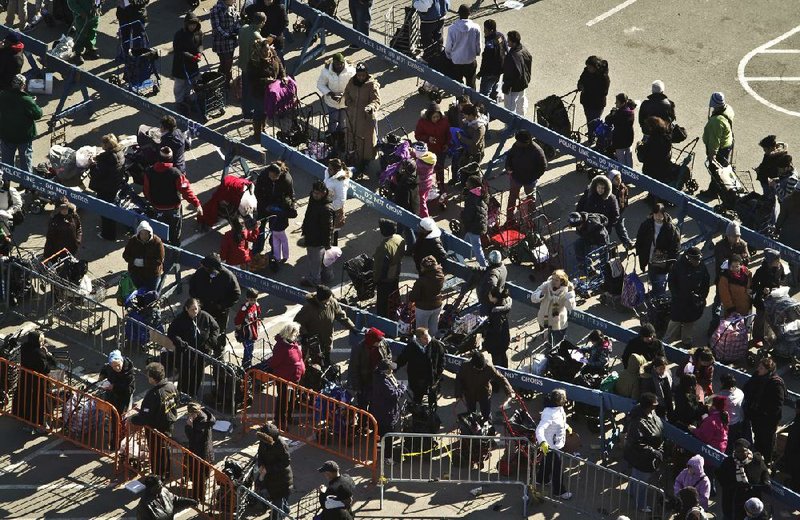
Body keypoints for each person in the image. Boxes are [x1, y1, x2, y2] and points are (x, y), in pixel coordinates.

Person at [143, 147, 202, 246]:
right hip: (173, 209)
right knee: (175, 234)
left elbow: (146, 191)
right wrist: (197, 204)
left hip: (157, 208)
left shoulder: (149, 172)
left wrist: (152, 202)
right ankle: (175, 256)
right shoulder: (176, 173)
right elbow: (186, 190)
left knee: (159, 234)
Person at [130, 363, 179, 479]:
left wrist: (132, 419)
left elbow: (144, 417)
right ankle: (166, 471)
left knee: (156, 453)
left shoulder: (153, 395)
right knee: (165, 449)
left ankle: (157, 476)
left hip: (156, 428)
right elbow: (177, 400)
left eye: (148, 376)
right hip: (169, 423)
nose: (148, 378)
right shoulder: (171, 386)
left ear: (152, 378)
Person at [167, 299, 220, 398]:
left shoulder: (204, 316)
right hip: (186, 353)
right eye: (192, 309)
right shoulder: (180, 320)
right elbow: (171, 333)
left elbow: (215, 328)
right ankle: (182, 394)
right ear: (186, 309)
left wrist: (210, 343)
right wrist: (181, 343)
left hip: (201, 352)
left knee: (198, 374)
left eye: (196, 309)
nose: (195, 311)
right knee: (185, 374)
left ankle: (193, 394)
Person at [189, 253, 242, 352]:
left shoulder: (227, 276)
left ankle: (218, 351)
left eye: (206, 267)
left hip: (220, 313)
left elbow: (236, 294)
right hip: (203, 310)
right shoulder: (200, 273)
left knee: (218, 334)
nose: (203, 268)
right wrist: (196, 300)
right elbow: (192, 286)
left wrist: (222, 305)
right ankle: (204, 349)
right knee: (202, 331)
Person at [295, 285, 356, 368]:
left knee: (326, 359)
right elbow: (299, 321)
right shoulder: (309, 308)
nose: (330, 299)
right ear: (322, 299)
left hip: (327, 339)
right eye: (328, 298)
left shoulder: (332, 302)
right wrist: (305, 335)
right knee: (313, 365)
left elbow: (341, 316)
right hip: (313, 343)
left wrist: (352, 327)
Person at [623, 393, 664, 513]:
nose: (656, 407)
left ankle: (630, 491)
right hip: (642, 458)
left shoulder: (650, 413)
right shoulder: (637, 422)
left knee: (636, 476)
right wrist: (654, 452)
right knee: (642, 482)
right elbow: (636, 443)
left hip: (646, 456)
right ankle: (640, 505)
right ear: (648, 406)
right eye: (654, 405)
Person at [743, 357, 785, 464]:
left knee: (767, 441)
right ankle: (757, 459)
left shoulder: (776, 383)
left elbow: (777, 405)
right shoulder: (757, 376)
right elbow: (747, 388)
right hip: (756, 416)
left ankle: (766, 461)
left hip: (768, 420)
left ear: (768, 370)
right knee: (758, 438)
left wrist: (765, 413)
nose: (758, 369)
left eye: (761, 368)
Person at [665, 247, 710, 348]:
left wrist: (702, 297)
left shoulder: (701, 266)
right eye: (695, 260)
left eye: (699, 259)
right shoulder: (679, 266)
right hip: (680, 301)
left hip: (693, 303)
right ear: (689, 258)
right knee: (675, 322)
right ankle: (666, 343)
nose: (697, 262)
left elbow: (706, 283)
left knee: (689, 322)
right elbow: (671, 281)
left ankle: (686, 340)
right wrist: (676, 295)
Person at [0, 73, 43, 174]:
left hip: (6, 135)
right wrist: (33, 102)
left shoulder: (2, 95)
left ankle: (6, 182)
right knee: (25, 160)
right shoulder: (27, 100)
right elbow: (38, 114)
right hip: (24, 136)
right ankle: (26, 185)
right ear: (23, 85)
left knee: (7, 161)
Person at [634, 203, 680, 296]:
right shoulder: (646, 224)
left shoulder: (671, 228)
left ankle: (658, 299)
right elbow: (640, 239)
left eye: (660, 214)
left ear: (664, 214)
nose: (658, 217)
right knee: (652, 277)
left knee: (659, 281)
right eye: (656, 214)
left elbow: (675, 247)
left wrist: (670, 262)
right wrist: (639, 251)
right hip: (650, 258)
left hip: (662, 260)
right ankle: (655, 293)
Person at [718, 439, 770, 520]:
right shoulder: (728, 462)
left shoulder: (756, 459)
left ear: (748, 450)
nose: (740, 454)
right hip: (733, 498)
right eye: (737, 451)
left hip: (752, 496)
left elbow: (764, 471)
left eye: (743, 451)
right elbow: (721, 477)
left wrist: (766, 480)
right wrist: (734, 485)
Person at [535, 389, 573, 500]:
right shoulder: (548, 413)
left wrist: (566, 427)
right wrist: (543, 442)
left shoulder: (559, 408)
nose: (566, 399)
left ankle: (541, 479)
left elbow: (560, 421)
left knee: (546, 462)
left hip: (554, 443)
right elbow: (539, 430)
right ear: (558, 401)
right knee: (558, 469)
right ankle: (559, 491)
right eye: (564, 398)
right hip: (552, 445)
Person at [454, 350, 513, 423]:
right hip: (470, 394)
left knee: (486, 414)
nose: (481, 369)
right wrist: (458, 394)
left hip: (484, 393)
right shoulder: (465, 366)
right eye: (479, 368)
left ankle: (488, 426)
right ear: (473, 365)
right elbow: (459, 379)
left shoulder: (489, 367)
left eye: (482, 368)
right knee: (471, 413)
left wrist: (509, 391)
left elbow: (501, 378)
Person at [13, 331, 57, 426]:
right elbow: (46, 368)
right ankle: (41, 422)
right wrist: (47, 354)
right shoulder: (39, 353)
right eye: (41, 340)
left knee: (25, 398)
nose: (43, 342)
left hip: (26, 378)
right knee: (40, 402)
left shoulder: (25, 347)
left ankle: (22, 415)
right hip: (38, 382)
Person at [253, 161, 294, 261]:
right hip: (264, 206)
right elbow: (257, 191)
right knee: (260, 228)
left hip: (277, 207)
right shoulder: (263, 175)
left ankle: (274, 250)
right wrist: (265, 205)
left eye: (274, 177)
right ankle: (257, 248)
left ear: (279, 175)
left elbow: (290, 194)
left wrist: (289, 207)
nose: (272, 179)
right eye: (270, 176)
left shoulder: (286, 179)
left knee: (274, 230)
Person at [344, 63, 381, 174]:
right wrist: (348, 100)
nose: (360, 77)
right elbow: (347, 93)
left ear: (366, 74)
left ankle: (364, 162)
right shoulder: (352, 81)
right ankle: (352, 158)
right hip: (352, 116)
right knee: (352, 137)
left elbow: (376, 101)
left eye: (363, 75)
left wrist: (371, 107)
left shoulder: (372, 85)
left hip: (366, 118)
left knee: (365, 141)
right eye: (359, 75)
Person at [88, 134, 126, 241]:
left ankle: (108, 235)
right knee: (110, 208)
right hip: (114, 185)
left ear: (106, 145)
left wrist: (92, 165)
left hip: (106, 188)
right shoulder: (119, 152)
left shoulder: (108, 159)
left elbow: (98, 173)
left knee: (106, 211)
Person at [269, 322, 306, 428]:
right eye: (295, 334)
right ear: (289, 334)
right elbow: (274, 362)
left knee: (292, 399)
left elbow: (299, 358)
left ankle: (288, 417)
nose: (297, 336)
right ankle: (280, 421)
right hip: (284, 379)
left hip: (294, 378)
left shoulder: (293, 344)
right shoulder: (281, 347)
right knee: (282, 400)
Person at [504, 130, 547, 222]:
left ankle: (531, 221)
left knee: (531, 200)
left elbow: (543, 166)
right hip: (516, 178)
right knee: (512, 198)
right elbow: (509, 157)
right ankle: (509, 219)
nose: (516, 143)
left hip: (530, 181)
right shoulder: (516, 145)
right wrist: (508, 167)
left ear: (526, 142)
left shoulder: (537, 151)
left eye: (519, 142)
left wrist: (534, 177)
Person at [248, 38, 286, 138]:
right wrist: (265, 80)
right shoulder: (254, 62)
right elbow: (252, 79)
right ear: (259, 51)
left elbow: (280, 65)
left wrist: (283, 76)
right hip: (259, 92)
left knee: (266, 110)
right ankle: (257, 134)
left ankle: (263, 128)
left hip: (271, 91)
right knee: (259, 112)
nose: (267, 52)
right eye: (265, 50)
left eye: (268, 49)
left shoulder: (273, 54)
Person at [396, 327, 444, 405]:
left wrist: (438, 372)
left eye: (428, 336)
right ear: (418, 339)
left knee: (432, 400)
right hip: (417, 380)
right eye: (424, 338)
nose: (428, 339)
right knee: (417, 399)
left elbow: (442, 358)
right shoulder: (411, 347)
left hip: (432, 379)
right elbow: (402, 359)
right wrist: (395, 366)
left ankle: (431, 413)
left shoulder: (435, 344)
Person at [700, 91, 735, 198]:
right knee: (721, 169)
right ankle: (718, 190)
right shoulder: (728, 109)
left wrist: (712, 155)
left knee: (716, 171)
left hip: (721, 148)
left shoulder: (716, 121)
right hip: (728, 143)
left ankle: (713, 192)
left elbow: (715, 141)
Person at [300, 181, 336, 287]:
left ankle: (314, 280)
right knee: (325, 259)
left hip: (317, 239)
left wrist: (327, 244)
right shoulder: (314, 198)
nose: (315, 195)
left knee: (315, 261)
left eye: (317, 193)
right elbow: (309, 212)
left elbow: (328, 228)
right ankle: (328, 277)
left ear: (324, 192)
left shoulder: (326, 209)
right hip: (313, 235)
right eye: (314, 192)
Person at [531, 270, 576, 347]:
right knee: (546, 343)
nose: (553, 282)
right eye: (552, 279)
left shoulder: (567, 290)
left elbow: (570, 307)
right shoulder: (546, 285)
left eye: (556, 280)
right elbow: (533, 298)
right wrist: (541, 293)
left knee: (558, 345)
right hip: (544, 320)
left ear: (562, 281)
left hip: (558, 324)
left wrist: (570, 295)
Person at [255, 423, 293, 516]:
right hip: (269, 476)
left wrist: (268, 469)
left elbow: (285, 462)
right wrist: (261, 465)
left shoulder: (281, 445)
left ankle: (282, 513)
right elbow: (260, 455)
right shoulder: (264, 442)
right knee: (262, 491)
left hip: (281, 479)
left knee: (279, 505)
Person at [414, 103, 451, 198]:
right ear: (429, 116)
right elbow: (417, 136)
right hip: (428, 152)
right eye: (434, 117)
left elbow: (448, 133)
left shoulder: (444, 121)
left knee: (440, 168)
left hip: (440, 149)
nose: (436, 119)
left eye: (437, 117)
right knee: (427, 170)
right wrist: (427, 138)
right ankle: (427, 187)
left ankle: (441, 185)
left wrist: (447, 144)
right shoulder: (422, 122)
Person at [751, 248, 787, 344]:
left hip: (775, 296)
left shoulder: (780, 267)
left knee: (772, 319)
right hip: (762, 299)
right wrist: (762, 289)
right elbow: (753, 284)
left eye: (779, 260)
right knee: (760, 319)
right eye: (776, 260)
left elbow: (783, 277)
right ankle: (757, 337)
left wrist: (781, 285)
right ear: (770, 262)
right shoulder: (761, 271)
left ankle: (767, 336)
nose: (779, 262)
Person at [349, 326, 392, 406]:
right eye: (377, 341)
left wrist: (387, 363)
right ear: (371, 342)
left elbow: (389, 353)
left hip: (379, 379)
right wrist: (357, 386)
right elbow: (354, 368)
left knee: (376, 403)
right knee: (363, 403)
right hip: (364, 381)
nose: (380, 343)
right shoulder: (358, 349)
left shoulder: (382, 342)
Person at [372, 219, 405, 318]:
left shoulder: (384, 247)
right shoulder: (399, 238)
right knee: (394, 291)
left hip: (385, 278)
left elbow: (379, 267)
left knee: (383, 301)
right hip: (396, 270)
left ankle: (383, 318)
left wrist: (376, 280)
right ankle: (396, 307)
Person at [183, 402, 216, 500]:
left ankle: (197, 496)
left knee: (198, 476)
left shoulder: (199, 424)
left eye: (190, 414)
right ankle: (201, 492)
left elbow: (193, 439)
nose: (190, 416)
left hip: (199, 453)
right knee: (203, 475)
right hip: (207, 451)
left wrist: (188, 426)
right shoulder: (206, 416)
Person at [171, 12, 203, 109]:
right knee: (180, 85)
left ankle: (187, 97)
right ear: (186, 24)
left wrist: (199, 53)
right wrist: (192, 57)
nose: (192, 26)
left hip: (193, 64)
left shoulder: (198, 33)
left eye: (194, 24)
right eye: (190, 24)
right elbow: (178, 50)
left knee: (190, 83)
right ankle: (179, 101)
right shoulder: (179, 35)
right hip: (180, 64)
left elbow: (200, 45)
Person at [444, 4, 481, 89]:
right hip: (470, 61)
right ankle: (472, 100)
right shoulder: (476, 28)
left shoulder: (452, 28)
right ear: (469, 14)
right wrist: (477, 53)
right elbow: (478, 45)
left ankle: (460, 100)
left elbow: (449, 46)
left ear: (458, 14)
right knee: (471, 84)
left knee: (458, 85)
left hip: (456, 61)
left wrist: (449, 56)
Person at [317, 54, 356, 134]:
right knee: (332, 121)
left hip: (345, 103)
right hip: (331, 103)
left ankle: (340, 136)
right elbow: (320, 84)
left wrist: (345, 94)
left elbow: (355, 86)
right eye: (337, 64)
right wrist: (330, 94)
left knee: (343, 122)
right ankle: (331, 135)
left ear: (344, 63)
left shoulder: (351, 71)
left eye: (341, 64)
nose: (339, 66)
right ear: (333, 63)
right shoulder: (326, 71)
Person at [123, 221, 165, 291]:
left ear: (150, 233)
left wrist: (144, 263)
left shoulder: (157, 242)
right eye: (142, 233)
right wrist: (134, 261)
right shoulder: (133, 240)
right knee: (136, 293)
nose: (144, 236)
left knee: (150, 296)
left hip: (152, 274)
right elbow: (125, 255)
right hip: (135, 272)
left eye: (146, 234)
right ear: (138, 233)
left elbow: (159, 260)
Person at [370, 358, 406, 441]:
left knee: (380, 431)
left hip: (380, 411)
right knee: (387, 436)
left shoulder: (377, 376)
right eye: (390, 370)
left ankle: (379, 446)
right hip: (386, 413)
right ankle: (386, 451)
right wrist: (402, 388)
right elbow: (393, 395)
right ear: (385, 371)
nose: (392, 371)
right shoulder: (383, 382)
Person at [577, 56, 610, 144]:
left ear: (595, 67)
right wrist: (580, 86)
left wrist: (587, 90)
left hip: (597, 105)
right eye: (587, 67)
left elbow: (604, 93)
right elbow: (581, 80)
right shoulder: (586, 71)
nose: (588, 69)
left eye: (590, 67)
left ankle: (598, 138)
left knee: (595, 121)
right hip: (586, 102)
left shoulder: (603, 77)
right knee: (589, 120)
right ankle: (592, 135)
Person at [409, 255, 445, 336]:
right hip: (437, 305)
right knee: (433, 330)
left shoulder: (421, 281)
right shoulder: (440, 275)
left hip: (424, 308)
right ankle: (432, 345)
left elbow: (414, 296)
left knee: (422, 332)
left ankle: (423, 347)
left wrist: (411, 299)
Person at [237, 12, 265, 117]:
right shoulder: (257, 36)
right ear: (261, 23)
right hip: (252, 68)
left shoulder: (243, 28)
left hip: (243, 63)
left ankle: (245, 110)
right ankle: (248, 114)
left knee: (245, 90)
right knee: (251, 91)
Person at [387, 160, 419, 249]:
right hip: (414, 204)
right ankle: (398, 235)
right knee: (400, 224)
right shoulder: (414, 176)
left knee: (408, 228)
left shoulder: (405, 184)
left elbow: (403, 199)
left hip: (405, 209)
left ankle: (411, 247)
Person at [210, 0, 240, 87]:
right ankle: (224, 82)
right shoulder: (216, 9)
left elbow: (236, 21)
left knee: (227, 63)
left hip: (231, 42)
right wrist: (227, 35)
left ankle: (221, 80)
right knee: (225, 63)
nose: (235, 0)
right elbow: (216, 27)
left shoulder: (233, 6)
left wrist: (238, 30)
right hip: (221, 42)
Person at [501, 30, 532, 116]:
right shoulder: (524, 50)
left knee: (510, 109)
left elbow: (510, 74)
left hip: (513, 88)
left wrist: (506, 87)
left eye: (509, 41)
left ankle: (511, 128)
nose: (507, 42)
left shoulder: (511, 56)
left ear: (514, 43)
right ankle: (521, 125)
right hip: (523, 84)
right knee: (521, 105)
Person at [481, 286, 512, 369]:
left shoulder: (496, 313)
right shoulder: (504, 304)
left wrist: (485, 326)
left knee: (497, 362)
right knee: (503, 357)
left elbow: (495, 329)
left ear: (495, 298)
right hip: (504, 339)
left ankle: (498, 379)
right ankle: (506, 372)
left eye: (490, 295)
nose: (488, 296)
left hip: (496, 343)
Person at [476, 19, 507, 101]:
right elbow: (506, 49)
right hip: (499, 71)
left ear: (491, 30)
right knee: (494, 92)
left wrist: (480, 73)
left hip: (489, 73)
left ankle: (485, 111)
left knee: (484, 95)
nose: (484, 32)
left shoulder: (490, 44)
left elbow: (486, 60)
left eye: (485, 30)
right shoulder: (500, 36)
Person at [461, 175, 488, 267]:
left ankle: (484, 265)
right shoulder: (480, 193)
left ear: (472, 185)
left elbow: (469, 214)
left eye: (468, 182)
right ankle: (461, 254)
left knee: (477, 247)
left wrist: (462, 216)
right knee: (466, 241)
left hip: (474, 225)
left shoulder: (471, 198)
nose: (466, 183)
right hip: (479, 222)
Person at [639, 116, 674, 186]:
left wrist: (640, 147)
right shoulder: (666, 135)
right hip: (664, 166)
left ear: (652, 127)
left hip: (653, 168)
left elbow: (648, 153)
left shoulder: (653, 139)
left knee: (652, 186)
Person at [99, 350, 135, 415]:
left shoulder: (129, 372)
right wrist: (102, 375)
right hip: (112, 395)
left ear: (122, 361)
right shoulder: (109, 366)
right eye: (114, 366)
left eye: (118, 365)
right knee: (111, 413)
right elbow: (105, 369)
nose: (117, 368)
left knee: (120, 416)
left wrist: (114, 387)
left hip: (124, 398)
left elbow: (127, 388)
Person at [606, 93, 636, 167]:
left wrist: (612, 113)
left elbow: (608, 120)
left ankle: (623, 176)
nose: (615, 103)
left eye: (617, 102)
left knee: (621, 160)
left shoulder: (619, 114)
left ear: (623, 103)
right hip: (629, 138)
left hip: (619, 140)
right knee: (628, 157)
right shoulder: (631, 111)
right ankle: (631, 174)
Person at [234, 287, 261, 369]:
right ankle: (246, 366)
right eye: (251, 300)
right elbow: (237, 321)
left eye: (255, 300)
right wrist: (239, 331)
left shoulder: (256, 305)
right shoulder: (244, 309)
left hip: (253, 331)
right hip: (246, 333)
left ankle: (248, 364)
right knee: (248, 350)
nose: (253, 302)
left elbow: (258, 314)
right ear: (247, 299)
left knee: (250, 349)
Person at [718, 254, 752, 318]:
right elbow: (725, 296)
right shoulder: (724, 278)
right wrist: (732, 310)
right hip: (734, 313)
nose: (735, 269)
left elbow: (749, 283)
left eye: (737, 266)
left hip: (745, 308)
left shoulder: (746, 272)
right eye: (732, 266)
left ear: (740, 265)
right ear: (728, 266)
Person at [719, 373, 746, 451]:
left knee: (727, 443)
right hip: (739, 421)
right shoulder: (740, 392)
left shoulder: (722, 396)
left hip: (728, 424)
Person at [607, 170, 634, 249]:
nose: (619, 181)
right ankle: (606, 246)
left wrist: (625, 205)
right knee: (606, 230)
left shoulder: (623, 187)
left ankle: (627, 243)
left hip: (619, 212)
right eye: (616, 179)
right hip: (609, 214)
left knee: (621, 228)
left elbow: (625, 196)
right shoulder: (609, 190)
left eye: (619, 178)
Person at [324, 158, 351, 233]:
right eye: (328, 168)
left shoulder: (341, 183)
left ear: (336, 171)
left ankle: (333, 242)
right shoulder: (328, 173)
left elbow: (341, 200)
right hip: (327, 203)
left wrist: (329, 207)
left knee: (335, 228)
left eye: (330, 169)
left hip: (334, 209)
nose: (328, 170)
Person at [778, 400, 800, 491]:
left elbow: (794, 437)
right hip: (794, 451)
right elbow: (793, 426)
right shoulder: (798, 418)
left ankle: (795, 487)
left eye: (797, 408)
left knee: (796, 472)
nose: (795, 409)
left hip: (795, 453)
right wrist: (782, 430)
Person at [458, 104, 487, 169]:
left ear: (471, 115)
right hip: (468, 150)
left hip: (475, 153)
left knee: (472, 170)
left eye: (465, 115)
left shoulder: (479, 127)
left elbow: (474, 143)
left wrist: (461, 138)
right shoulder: (469, 122)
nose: (464, 117)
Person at [413, 143, 438, 219]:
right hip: (429, 181)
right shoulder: (430, 159)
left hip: (421, 185)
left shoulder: (418, 164)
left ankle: (425, 218)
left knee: (421, 202)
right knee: (425, 197)